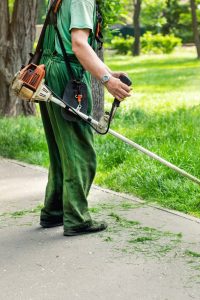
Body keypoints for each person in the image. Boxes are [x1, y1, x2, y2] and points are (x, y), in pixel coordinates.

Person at [39, 0, 131, 236]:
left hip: (50, 72)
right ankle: (77, 219)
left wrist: (107, 71)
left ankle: (54, 212)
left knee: (61, 150)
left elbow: (63, 42)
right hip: (68, 78)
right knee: (81, 152)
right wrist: (107, 81)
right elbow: (79, 45)